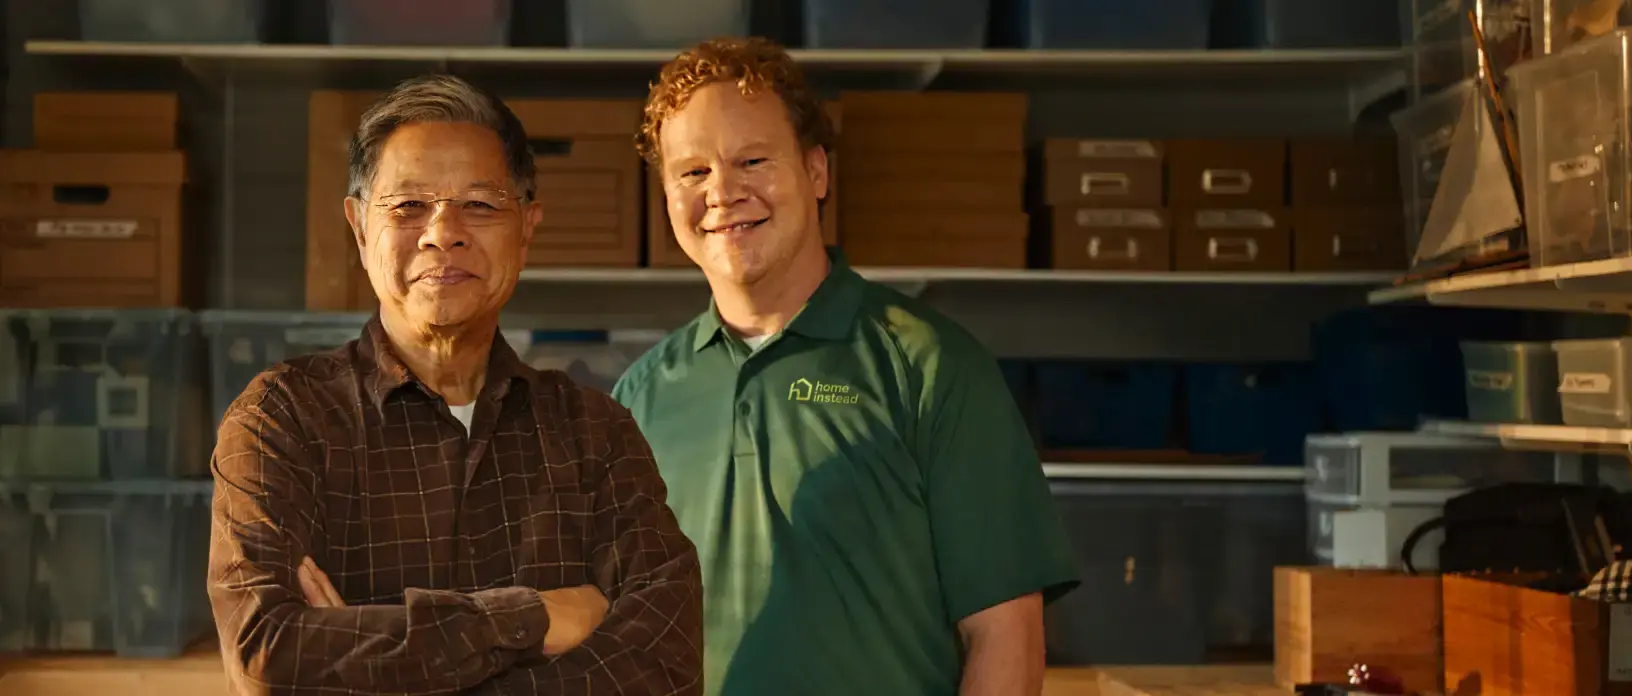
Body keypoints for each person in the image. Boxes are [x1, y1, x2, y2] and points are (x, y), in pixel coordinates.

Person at [207, 74, 703, 696]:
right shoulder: (282, 418)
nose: (443, 231)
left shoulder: (594, 433)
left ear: (527, 226)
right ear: (359, 227)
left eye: (481, 204)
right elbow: (266, 656)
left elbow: (668, 666)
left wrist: (366, 657)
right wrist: (530, 619)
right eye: (408, 205)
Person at [612, 38, 1080, 696]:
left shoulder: (929, 365)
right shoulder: (640, 397)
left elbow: (1005, 635)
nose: (722, 192)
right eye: (692, 172)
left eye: (752, 160)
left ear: (817, 172)